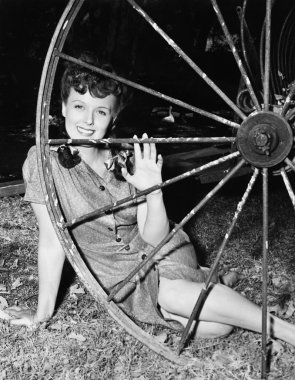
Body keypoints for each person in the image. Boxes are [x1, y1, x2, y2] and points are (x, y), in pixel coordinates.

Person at [6, 53, 295, 346]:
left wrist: (152, 191)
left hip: (163, 248)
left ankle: (285, 331)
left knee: (172, 295)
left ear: (113, 117)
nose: (88, 121)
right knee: (218, 329)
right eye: (79, 106)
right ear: (64, 109)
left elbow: (154, 235)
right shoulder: (43, 162)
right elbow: (52, 241)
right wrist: (42, 313)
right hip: (122, 277)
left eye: (101, 112)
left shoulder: (129, 161)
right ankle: (209, 279)